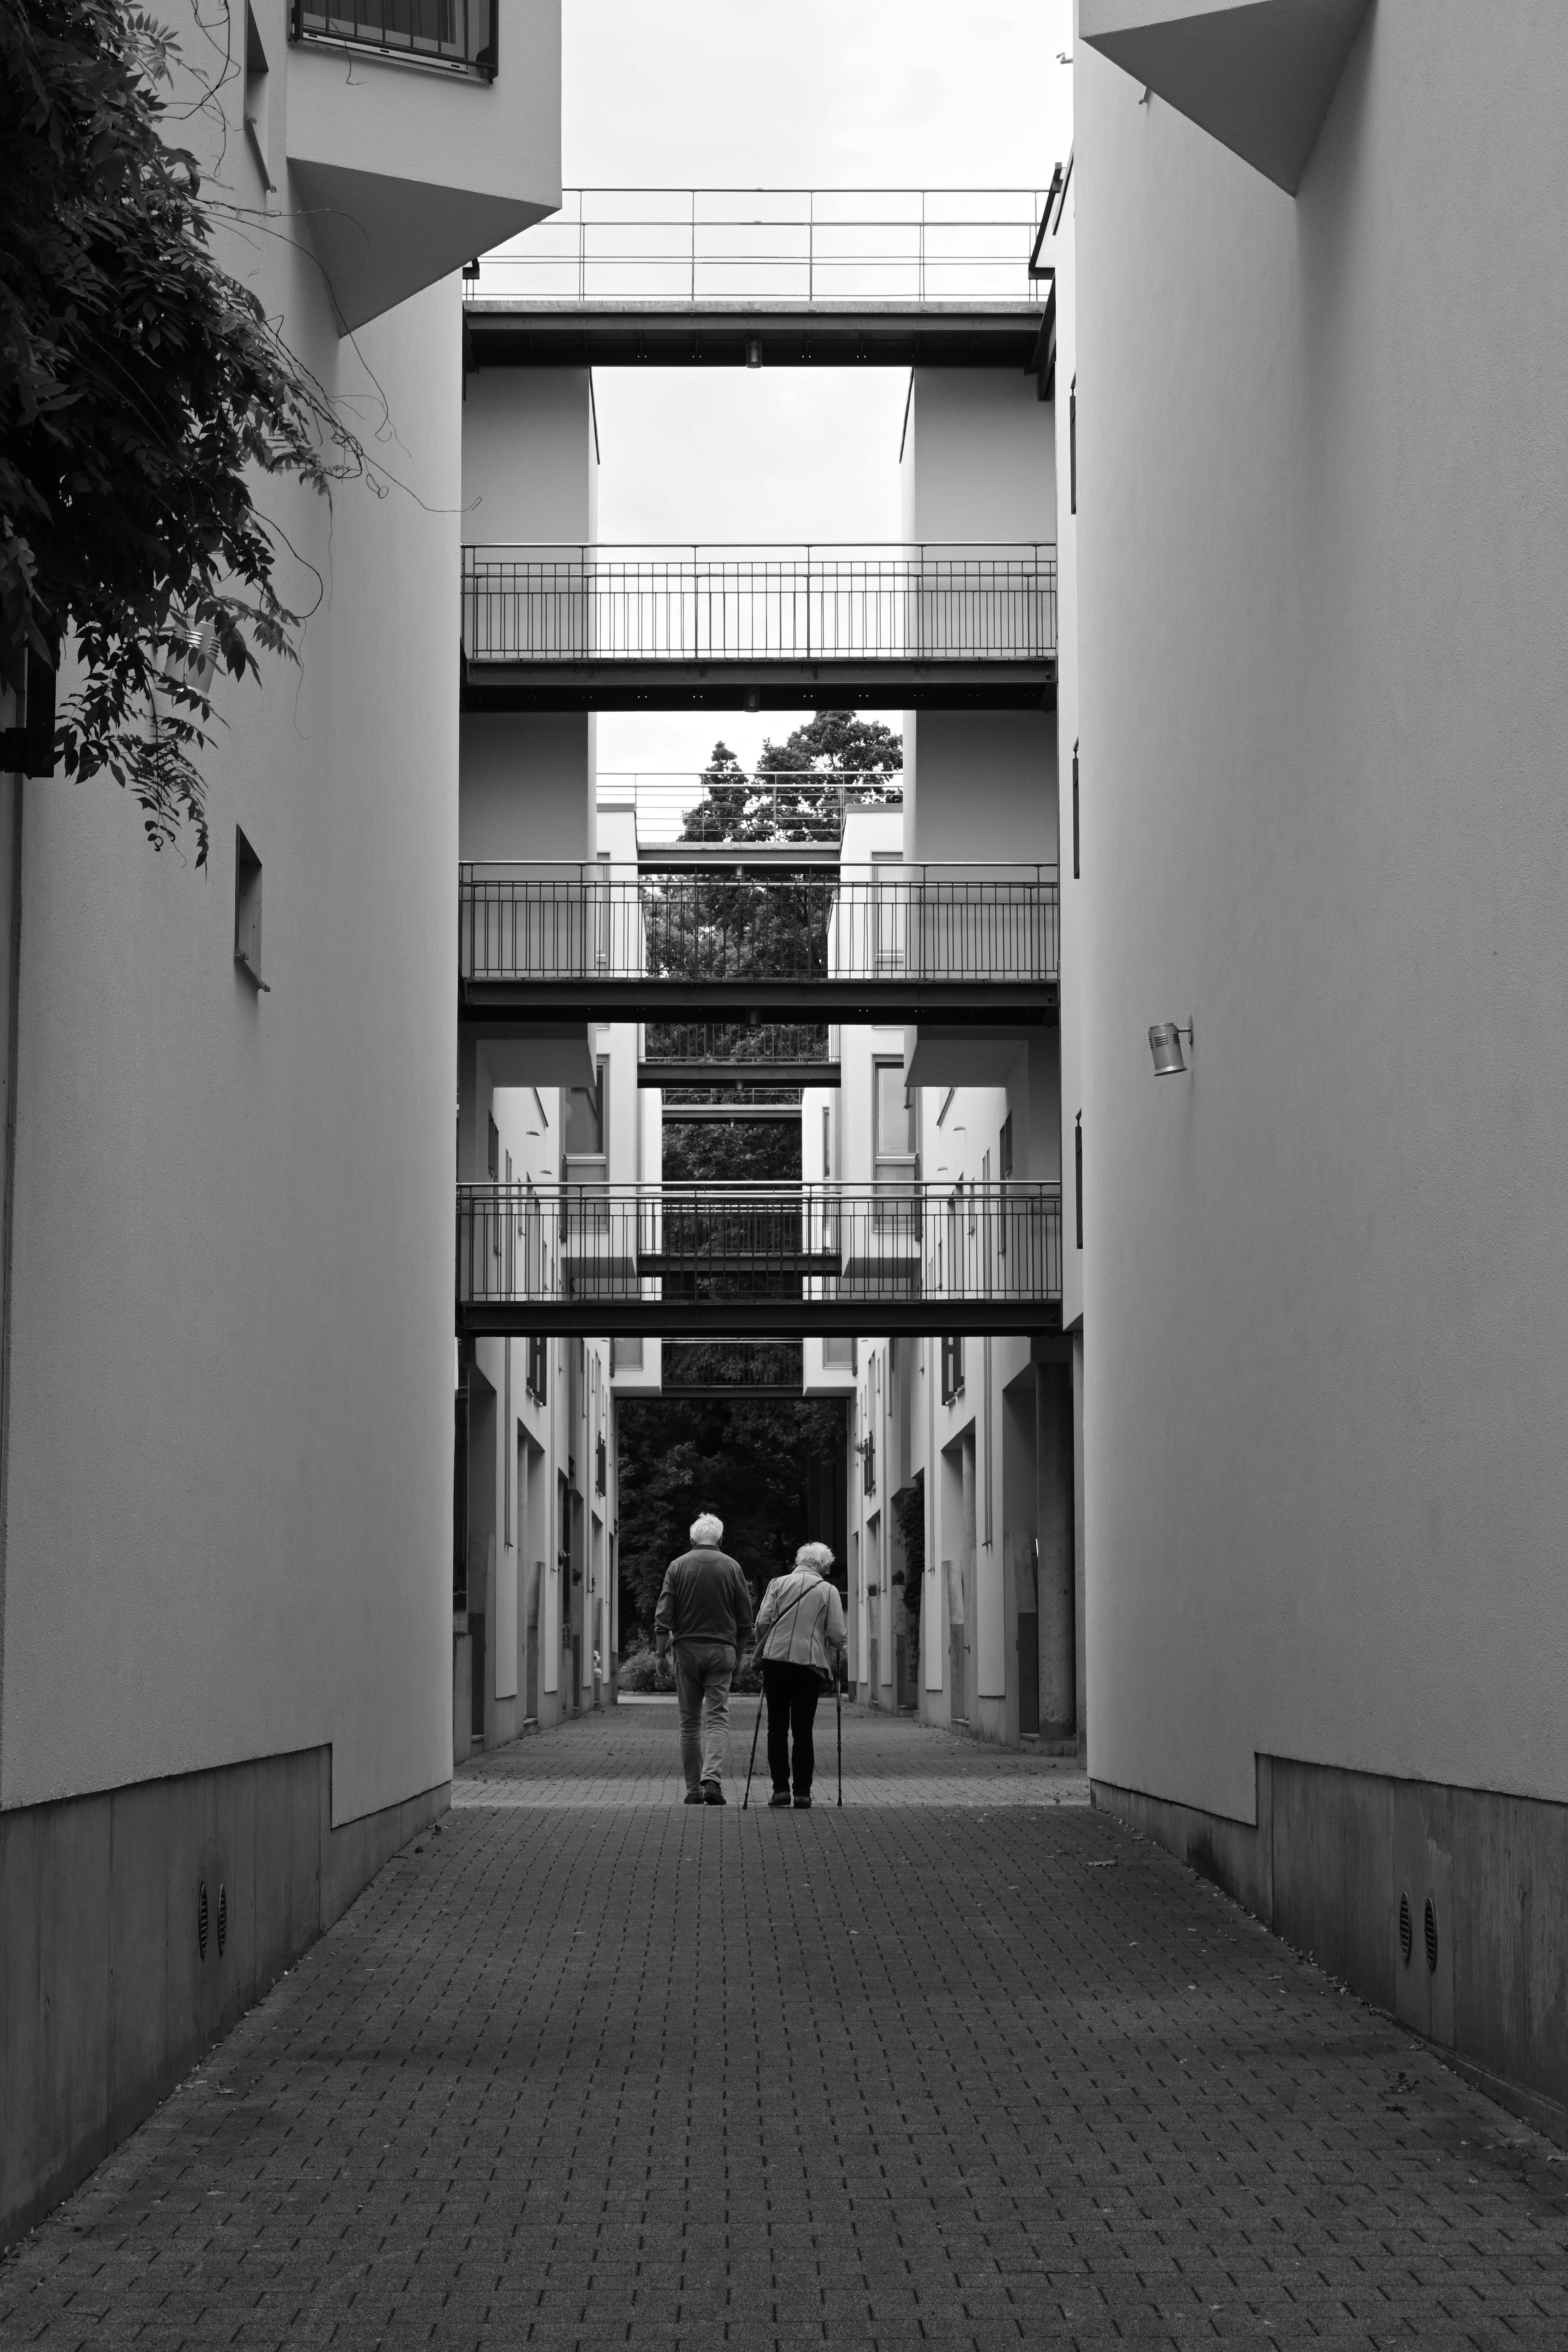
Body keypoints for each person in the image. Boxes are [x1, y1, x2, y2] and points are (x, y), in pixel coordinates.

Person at [655, 1511, 754, 1806]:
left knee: (689, 1723)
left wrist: (661, 1653)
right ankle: (712, 1779)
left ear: (692, 1539)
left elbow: (664, 1614)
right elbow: (745, 1620)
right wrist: (737, 1656)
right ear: (720, 1539)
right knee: (718, 1719)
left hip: (686, 1652)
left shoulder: (677, 1566)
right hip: (722, 1652)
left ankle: (693, 1791)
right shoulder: (732, 1567)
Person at [753, 1541, 846, 1809]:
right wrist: (839, 1646)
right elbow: (837, 1634)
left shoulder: (777, 1584)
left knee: (776, 1727)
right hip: (809, 1665)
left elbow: (761, 1622)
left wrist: (766, 1645)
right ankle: (803, 1793)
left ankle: (780, 1790)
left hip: (776, 1661)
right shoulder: (828, 1590)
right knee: (803, 1729)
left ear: (800, 1561)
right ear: (824, 1567)